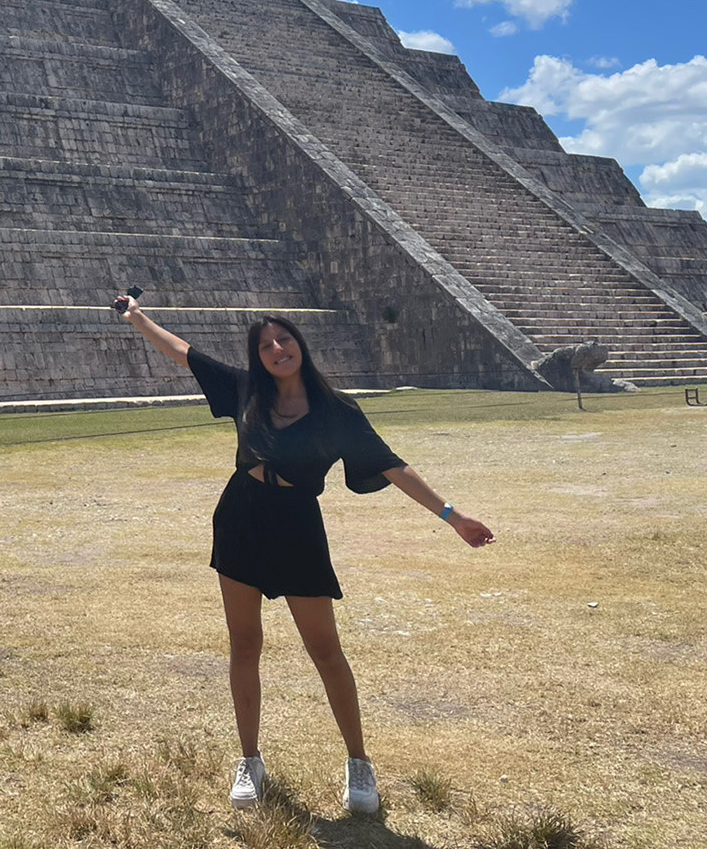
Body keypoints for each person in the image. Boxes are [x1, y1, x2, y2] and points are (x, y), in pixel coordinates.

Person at [115, 295, 494, 815]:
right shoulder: (245, 389)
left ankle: (358, 762)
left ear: (300, 345)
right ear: (258, 357)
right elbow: (183, 352)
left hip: (297, 527)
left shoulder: (337, 411)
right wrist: (138, 318)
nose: (277, 348)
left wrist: (452, 516)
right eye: (265, 345)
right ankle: (250, 760)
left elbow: (391, 465)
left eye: (284, 339)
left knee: (325, 650)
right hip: (241, 519)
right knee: (244, 644)